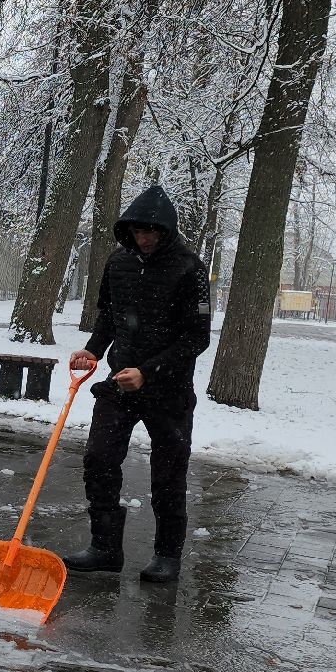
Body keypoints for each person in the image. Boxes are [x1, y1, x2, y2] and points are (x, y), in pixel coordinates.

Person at [62, 184, 212, 583]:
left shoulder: (190, 269)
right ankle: (105, 548)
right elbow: (108, 316)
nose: (143, 239)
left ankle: (167, 556)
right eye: (136, 232)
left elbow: (197, 337)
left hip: (169, 391)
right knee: (99, 458)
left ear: (166, 231)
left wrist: (149, 371)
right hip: (119, 383)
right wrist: (94, 350)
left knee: (168, 471)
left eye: (151, 232)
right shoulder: (118, 262)